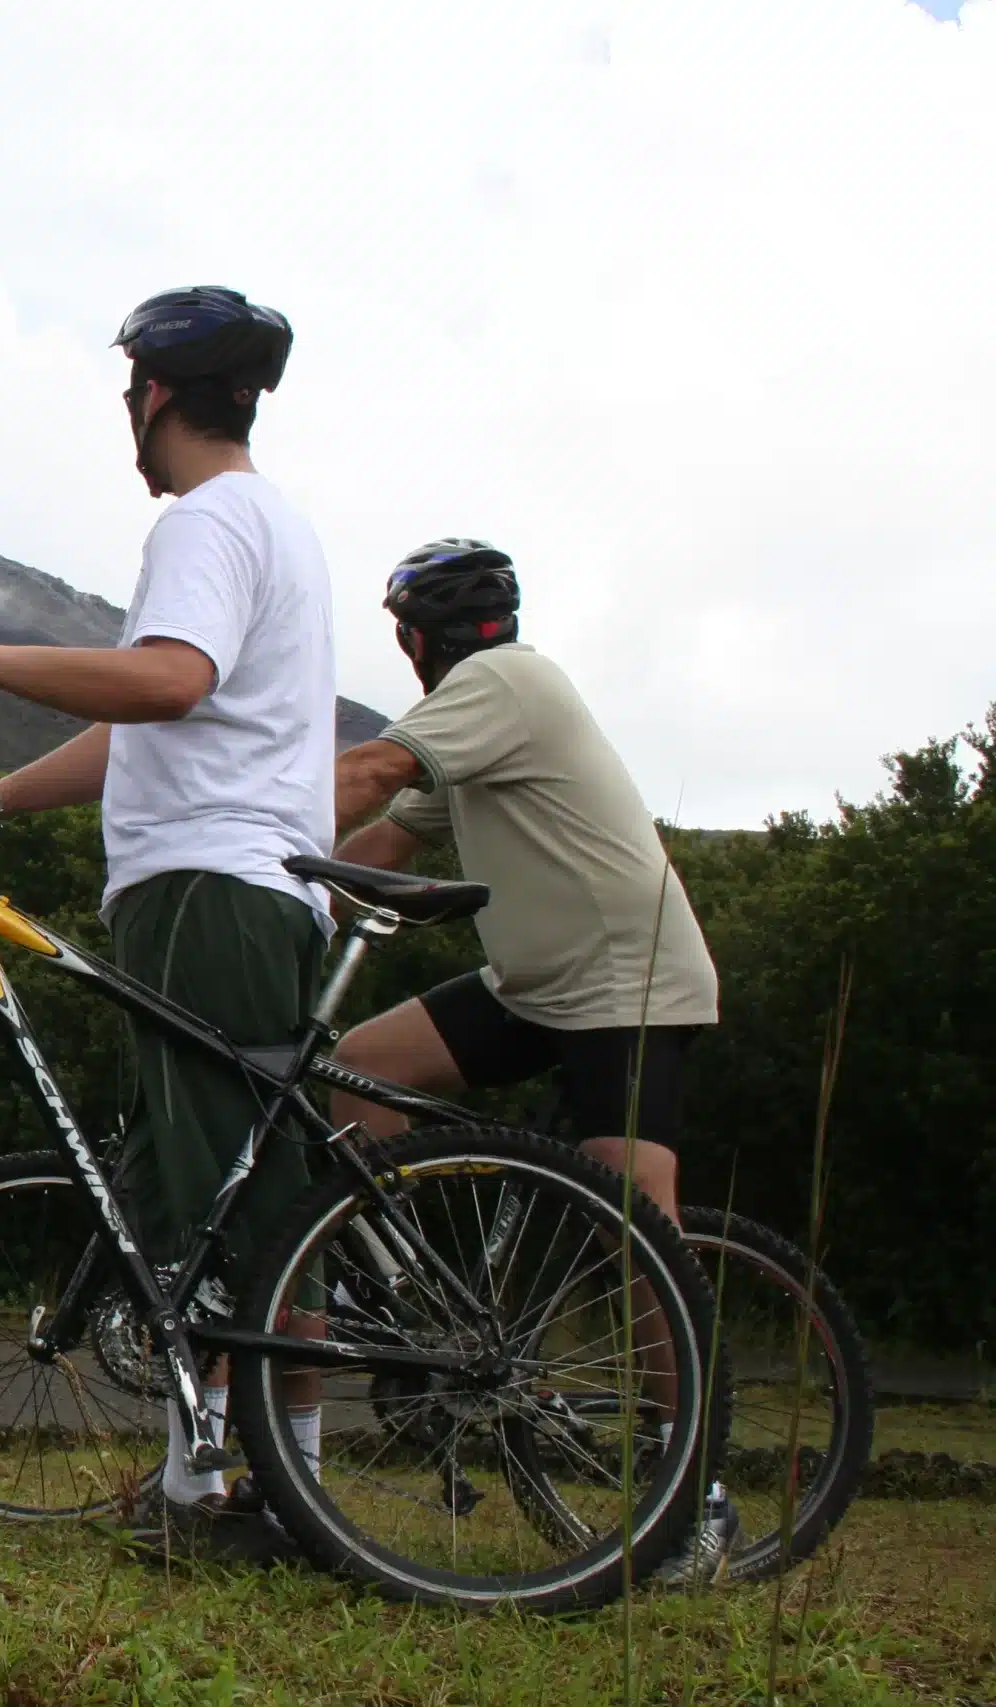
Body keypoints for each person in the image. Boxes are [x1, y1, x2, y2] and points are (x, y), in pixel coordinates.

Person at [0, 286, 331, 1562]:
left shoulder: (203, 522)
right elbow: (150, 711)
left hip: (207, 888)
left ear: (155, 395)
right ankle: (262, 1489)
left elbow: (167, 683)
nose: (124, 417)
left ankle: (237, 1500)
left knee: (210, 1205)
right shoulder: (268, 523)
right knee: (242, 1187)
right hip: (246, 887)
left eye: (127, 391)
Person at [326, 538, 732, 1578]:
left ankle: (697, 1495)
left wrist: (229, 823)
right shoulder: (481, 717)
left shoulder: (501, 684)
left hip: (622, 983)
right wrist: (269, 893)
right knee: (361, 1073)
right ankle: (428, 1312)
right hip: (532, 983)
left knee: (636, 1222)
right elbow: (381, 847)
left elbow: (372, 775)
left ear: (415, 639)